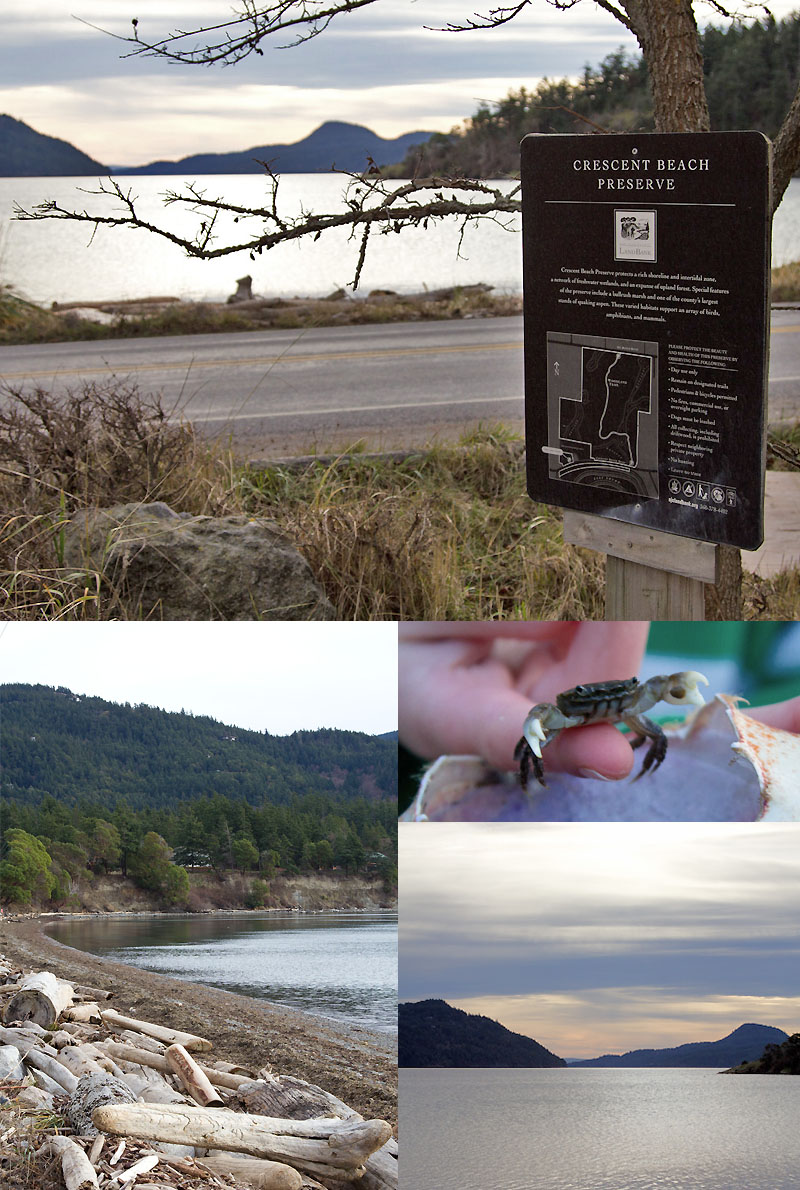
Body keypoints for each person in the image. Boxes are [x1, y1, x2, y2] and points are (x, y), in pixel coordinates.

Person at [399, 622, 651, 783]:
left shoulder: (634, 703)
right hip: (568, 711)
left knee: (654, 735)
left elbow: (657, 700)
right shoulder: (558, 714)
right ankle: (529, 777)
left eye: (627, 687)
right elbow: (539, 716)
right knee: (531, 749)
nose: (603, 700)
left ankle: (645, 762)